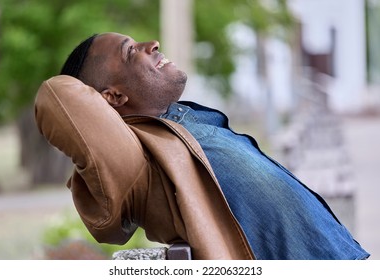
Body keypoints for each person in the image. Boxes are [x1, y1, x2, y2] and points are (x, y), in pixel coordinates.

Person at [35, 32, 369, 260]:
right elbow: (57, 95)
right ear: (114, 96)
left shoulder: (181, 123)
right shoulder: (137, 158)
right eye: (130, 51)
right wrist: (95, 96)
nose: (152, 44)